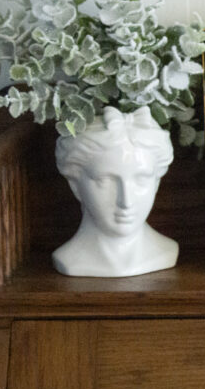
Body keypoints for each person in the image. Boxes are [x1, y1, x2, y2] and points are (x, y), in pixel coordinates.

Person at [53, 106, 178, 277]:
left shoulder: (166, 251)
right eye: (105, 180)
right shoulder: (69, 259)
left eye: (141, 179)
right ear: (75, 185)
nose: (126, 201)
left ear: (156, 183)